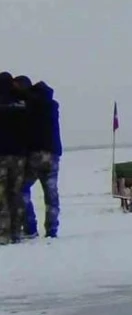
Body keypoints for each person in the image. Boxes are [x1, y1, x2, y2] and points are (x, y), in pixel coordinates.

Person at [21, 79, 62, 239]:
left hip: (35, 154)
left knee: (22, 189)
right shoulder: (52, 105)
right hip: (53, 154)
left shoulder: (31, 105)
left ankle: (30, 226)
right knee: (51, 194)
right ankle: (52, 229)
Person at [0, 73, 29, 245]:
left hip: (1, 155)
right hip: (19, 155)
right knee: (15, 193)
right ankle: (16, 232)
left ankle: (3, 232)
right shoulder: (22, 103)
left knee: (1, 195)